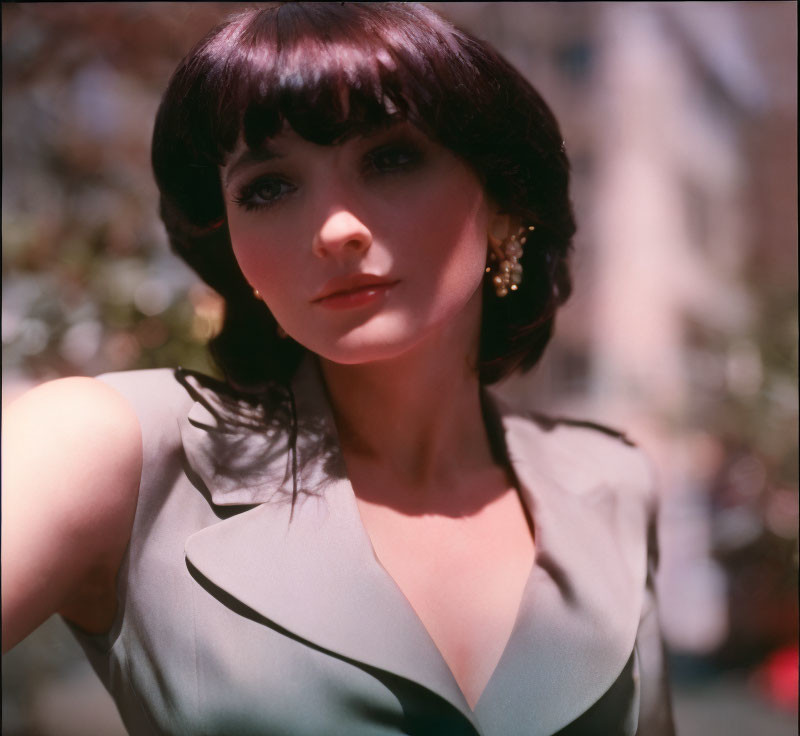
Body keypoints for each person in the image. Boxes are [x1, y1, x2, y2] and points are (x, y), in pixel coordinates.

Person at [2, 3, 675, 734]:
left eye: (390, 157)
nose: (335, 229)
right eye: (268, 186)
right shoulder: (115, 449)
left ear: (506, 201)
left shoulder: (612, 483)